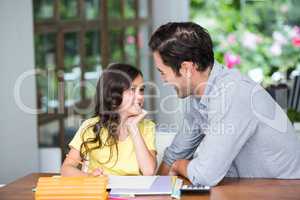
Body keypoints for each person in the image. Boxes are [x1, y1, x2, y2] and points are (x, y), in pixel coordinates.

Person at [148, 22, 300, 186]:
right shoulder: (198, 97)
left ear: (186, 68)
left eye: (163, 72)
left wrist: (179, 166)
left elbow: (204, 175)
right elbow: (176, 153)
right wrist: (153, 190)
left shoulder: (232, 92)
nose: (163, 81)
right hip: (249, 188)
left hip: (285, 189)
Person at [61, 63, 157, 176]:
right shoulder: (91, 126)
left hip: (133, 193)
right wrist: (89, 177)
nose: (140, 96)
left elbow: (149, 171)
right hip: (100, 191)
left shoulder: (147, 126)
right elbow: (66, 169)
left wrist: (133, 127)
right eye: (132, 89)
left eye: (141, 90)